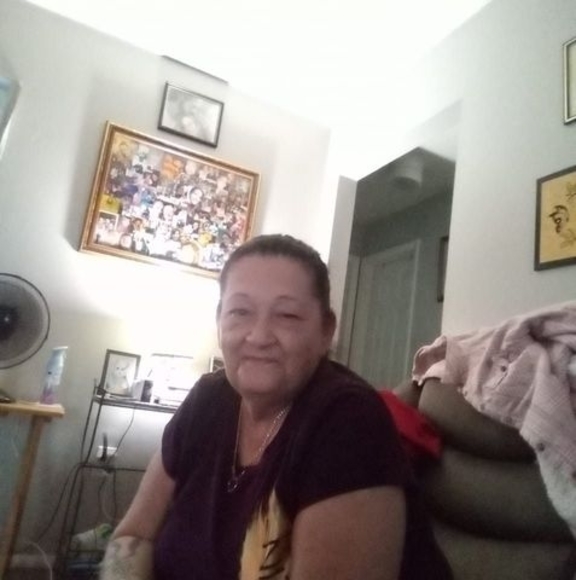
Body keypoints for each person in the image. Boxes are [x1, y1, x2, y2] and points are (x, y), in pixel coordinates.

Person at [99, 233, 452, 580]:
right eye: (240, 312)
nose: (259, 336)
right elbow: (134, 535)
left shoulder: (350, 422)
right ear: (220, 321)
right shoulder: (207, 399)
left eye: (287, 316)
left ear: (326, 332)